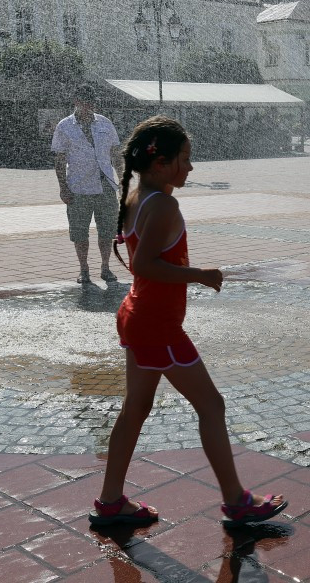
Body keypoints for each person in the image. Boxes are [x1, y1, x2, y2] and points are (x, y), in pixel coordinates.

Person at [90, 115, 287, 528]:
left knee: (136, 409)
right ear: (160, 162)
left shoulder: (138, 196)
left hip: (136, 315)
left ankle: (110, 502)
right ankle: (236, 500)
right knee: (211, 404)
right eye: (184, 158)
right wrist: (200, 275)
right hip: (157, 325)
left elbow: (142, 265)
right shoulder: (162, 204)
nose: (191, 168)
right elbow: (146, 265)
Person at [52, 84, 123, 284]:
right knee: (79, 232)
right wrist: (63, 187)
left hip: (105, 187)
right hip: (78, 188)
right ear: (76, 102)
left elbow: (116, 154)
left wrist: (122, 180)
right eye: (84, 102)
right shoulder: (65, 126)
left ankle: (105, 267)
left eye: (91, 102)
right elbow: (59, 159)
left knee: (107, 231)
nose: (88, 106)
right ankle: (84, 269)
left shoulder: (105, 124)